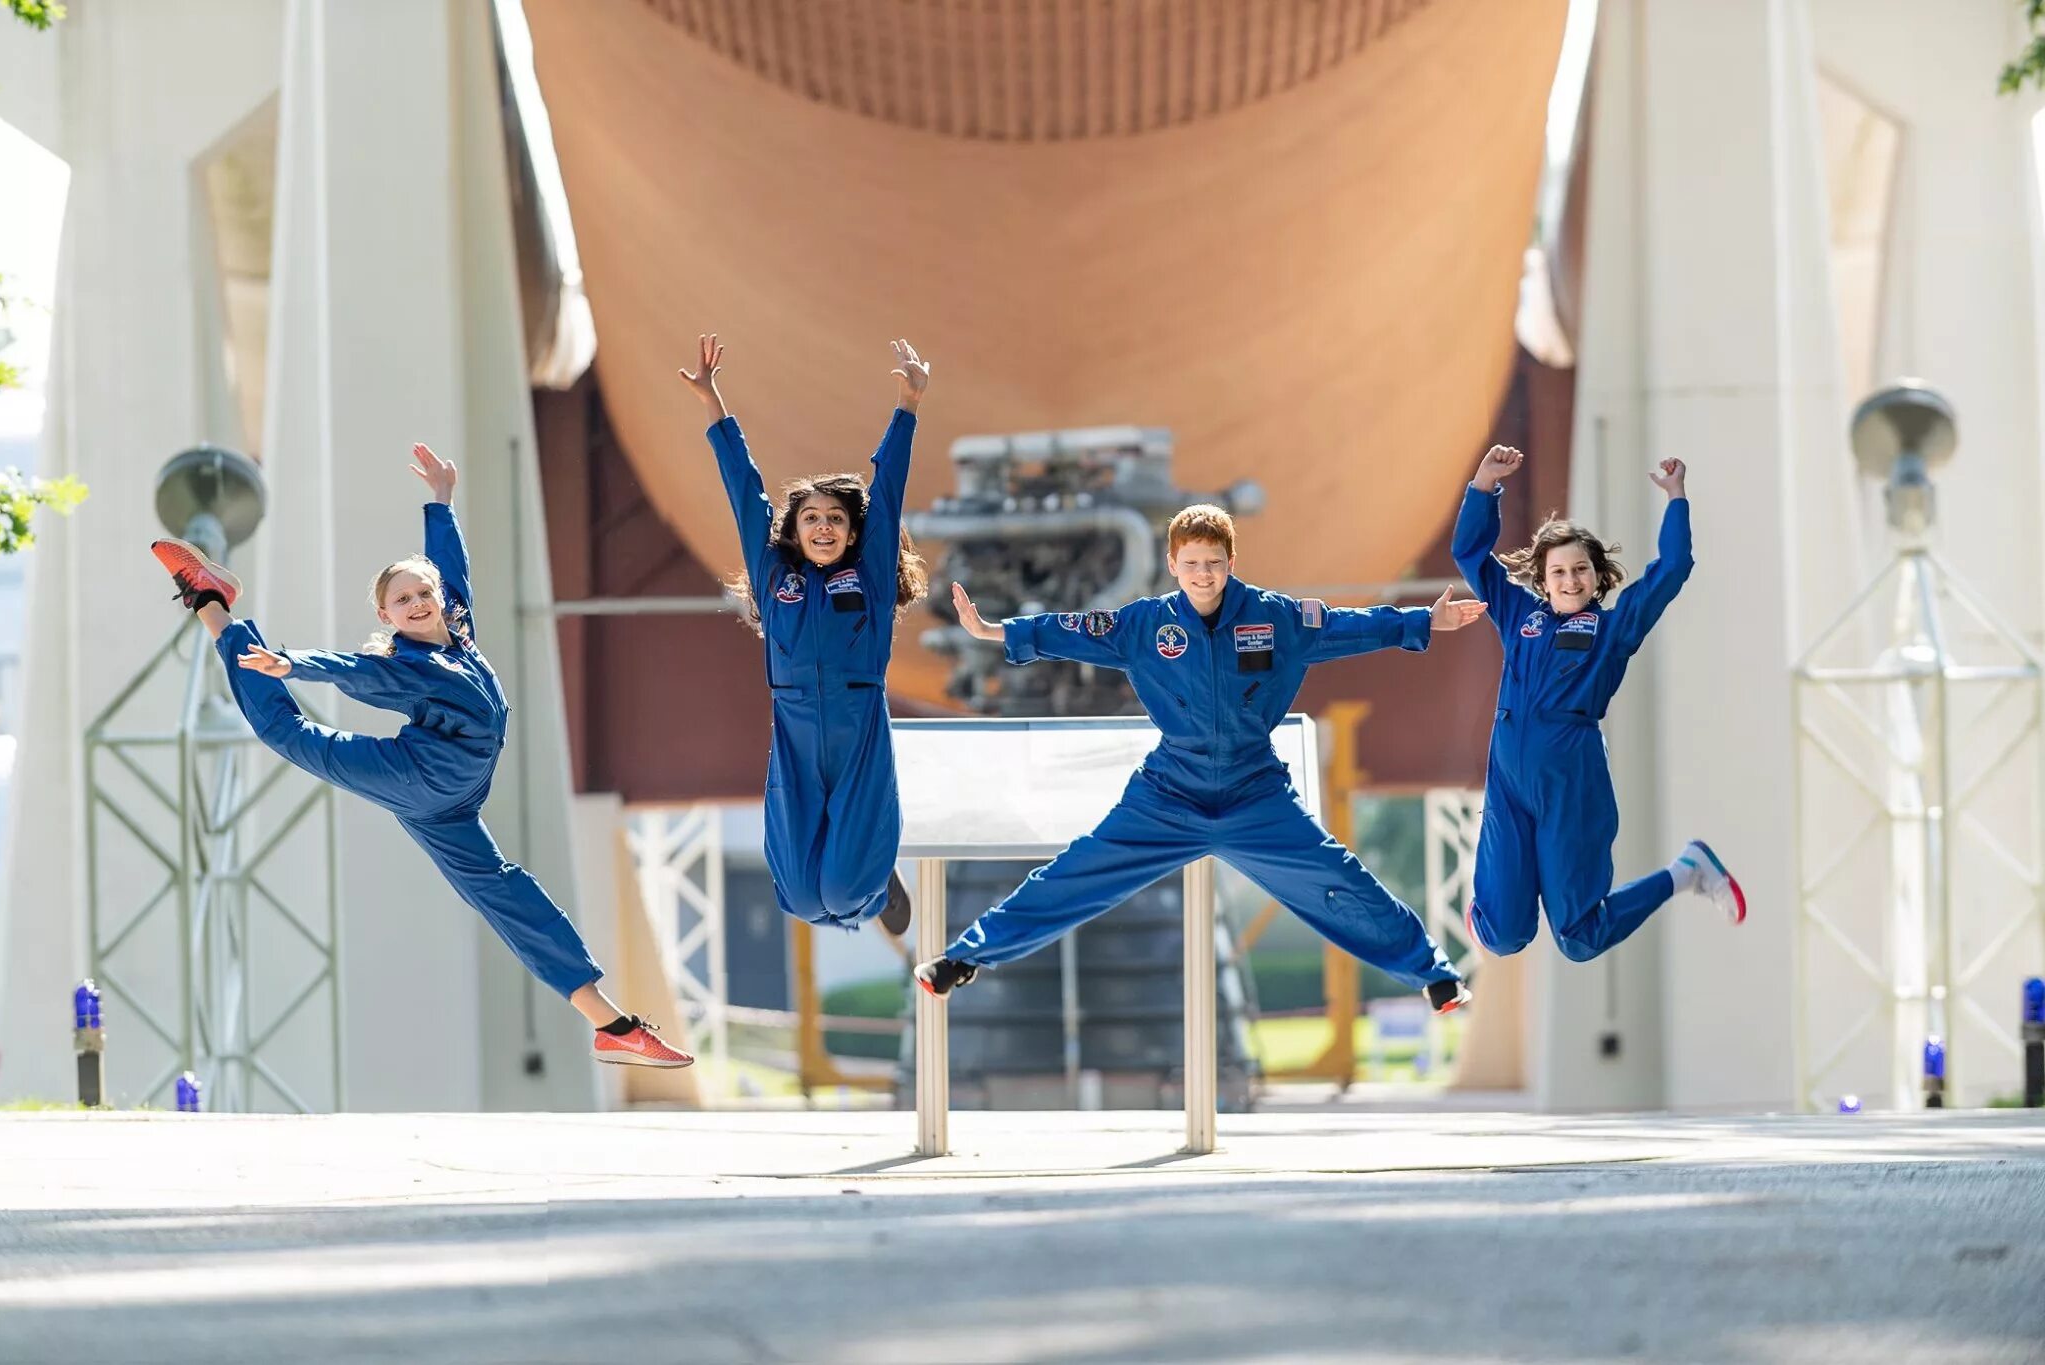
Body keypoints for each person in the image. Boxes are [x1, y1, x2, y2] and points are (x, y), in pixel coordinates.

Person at [150, 443, 691, 1067]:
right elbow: (354, 670)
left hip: (453, 804)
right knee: (289, 734)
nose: (416, 603)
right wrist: (292, 663)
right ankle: (214, 607)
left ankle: (612, 1024)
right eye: (400, 601)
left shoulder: (457, 629)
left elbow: (449, 565)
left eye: (421, 594)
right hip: (416, 777)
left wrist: (441, 503)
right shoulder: (402, 665)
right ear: (385, 615)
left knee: (504, 892)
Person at [916, 503, 1478, 1015]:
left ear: (1231, 561)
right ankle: (965, 958)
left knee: (1340, 880)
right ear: (1172, 564)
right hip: (1169, 796)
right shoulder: (1142, 625)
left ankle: (1434, 976)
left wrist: (1424, 621)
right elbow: (1072, 630)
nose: (1203, 574)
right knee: (1074, 875)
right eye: (1191, 563)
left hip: (1254, 795)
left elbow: (1349, 626)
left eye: (1213, 562)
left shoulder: (1277, 618)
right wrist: (997, 632)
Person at [1450, 444, 1744, 964]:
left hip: (1572, 777)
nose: (1570, 580)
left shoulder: (1614, 627)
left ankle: (1687, 871)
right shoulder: (1519, 613)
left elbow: (1673, 567)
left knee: (1581, 938)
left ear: (1597, 576)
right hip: (1510, 778)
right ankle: (1492, 905)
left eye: (1581, 570)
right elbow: (1471, 555)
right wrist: (1483, 486)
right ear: (1541, 581)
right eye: (1558, 572)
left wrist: (1676, 498)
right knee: (1501, 936)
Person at [681, 334, 931, 934]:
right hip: (792, 735)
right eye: (812, 518)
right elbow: (744, 492)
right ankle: (867, 884)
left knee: (844, 891)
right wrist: (714, 403)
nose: (823, 527)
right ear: (794, 529)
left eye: (836, 519)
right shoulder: (776, 579)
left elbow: (889, 491)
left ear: (852, 533)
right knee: (797, 899)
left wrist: (908, 406)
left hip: (858, 729)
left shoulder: (866, 579)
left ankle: (873, 893)